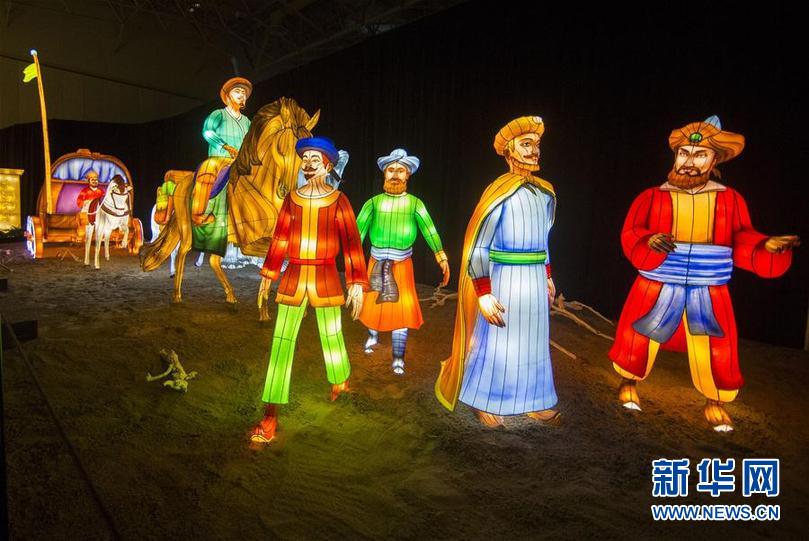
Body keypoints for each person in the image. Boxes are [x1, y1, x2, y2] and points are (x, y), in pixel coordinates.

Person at [609, 116, 800, 432]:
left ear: (715, 160)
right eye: (683, 153)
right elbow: (631, 231)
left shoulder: (729, 200)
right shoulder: (652, 196)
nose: (689, 162)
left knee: (714, 344)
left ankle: (715, 400)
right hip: (657, 281)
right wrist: (648, 241)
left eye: (699, 155)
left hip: (708, 287)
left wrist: (765, 246)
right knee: (640, 335)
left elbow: (741, 238)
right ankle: (628, 381)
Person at [435, 116, 560, 428]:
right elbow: (479, 245)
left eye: (537, 144)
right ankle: (488, 399)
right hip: (504, 277)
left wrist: (547, 275)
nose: (534, 150)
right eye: (526, 144)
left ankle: (535, 400)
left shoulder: (545, 193)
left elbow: (544, 239)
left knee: (533, 342)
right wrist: (483, 292)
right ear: (509, 151)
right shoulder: (499, 191)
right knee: (499, 341)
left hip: (534, 280)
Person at [251, 136, 368, 444]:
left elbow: (352, 243)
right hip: (294, 276)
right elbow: (280, 238)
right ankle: (271, 413)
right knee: (281, 342)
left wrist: (356, 282)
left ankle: (340, 378)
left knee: (332, 335)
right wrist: (269, 274)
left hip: (325, 275)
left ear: (327, 166)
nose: (308, 163)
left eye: (315, 159)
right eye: (305, 159)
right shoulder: (292, 199)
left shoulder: (339, 200)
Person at [356, 148, 450, 375]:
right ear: (384, 173)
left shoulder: (415, 204)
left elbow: (430, 230)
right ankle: (372, 336)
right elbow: (357, 233)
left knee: (402, 312)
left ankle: (398, 357)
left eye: (400, 170)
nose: (395, 174)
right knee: (372, 306)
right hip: (375, 262)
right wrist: (352, 260)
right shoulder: (373, 203)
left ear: (408, 175)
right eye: (391, 170)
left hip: (402, 266)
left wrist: (441, 255)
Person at [191, 77, 252, 241]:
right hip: (220, 159)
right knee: (208, 169)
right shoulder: (218, 114)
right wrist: (224, 146)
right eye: (238, 91)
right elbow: (207, 131)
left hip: (241, 162)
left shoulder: (247, 121)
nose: (242, 95)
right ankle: (199, 213)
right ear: (228, 95)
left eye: (244, 93)